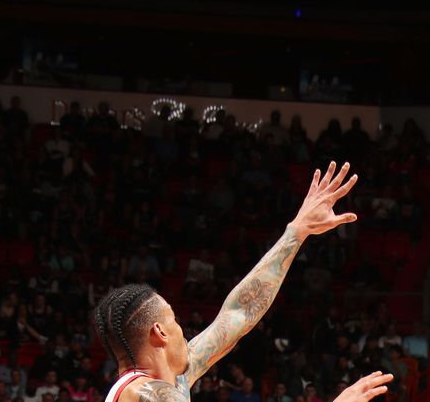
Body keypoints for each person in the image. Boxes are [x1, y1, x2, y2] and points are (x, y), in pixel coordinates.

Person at [94, 162, 392, 402]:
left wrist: (297, 232)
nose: (183, 330)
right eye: (175, 320)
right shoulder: (146, 395)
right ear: (160, 332)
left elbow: (240, 312)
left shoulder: (173, 379)